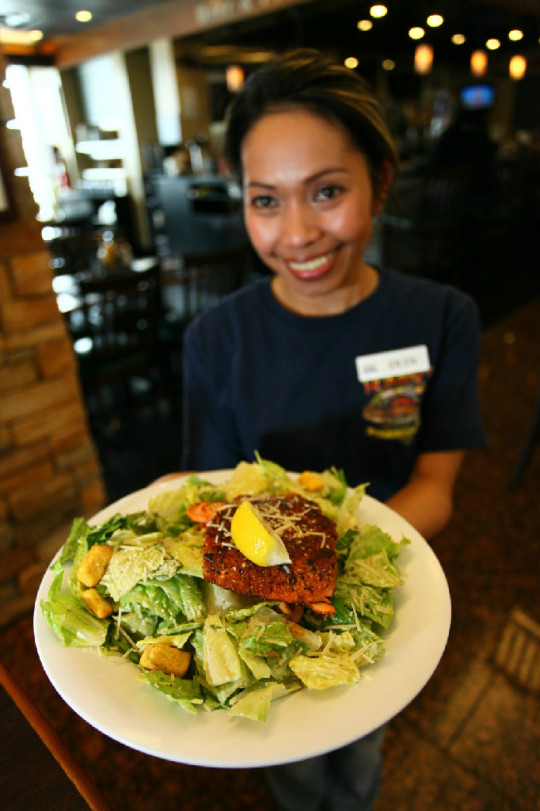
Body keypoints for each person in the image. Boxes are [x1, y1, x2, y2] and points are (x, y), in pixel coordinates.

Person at [180, 49, 487, 811]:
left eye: (325, 192)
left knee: (356, 764)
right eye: (265, 200)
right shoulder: (216, 339)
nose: (298, 234)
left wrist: (330, 575)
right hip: (261, 615)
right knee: (290, 767)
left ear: (380, 183)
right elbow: (212, 499)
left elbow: (436, 486)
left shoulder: (442, 317)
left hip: (377, 595)